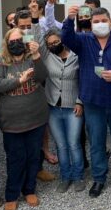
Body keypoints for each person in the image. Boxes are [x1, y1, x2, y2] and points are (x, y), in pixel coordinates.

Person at [62, 6, 111, 198]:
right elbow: (66, 38)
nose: (100, 24)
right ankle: (99, 178)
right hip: (93, 102)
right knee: (96, 142)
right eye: (96, 21)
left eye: (103, 20)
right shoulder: (83, 40)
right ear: (90, 23)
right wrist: (69, 19)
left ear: (110, 21)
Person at [0, 28, 49, 210]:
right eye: (12, 41)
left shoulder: (32, 58)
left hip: (36, 117)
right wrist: (19, 81)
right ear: (7, 43)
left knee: (33, 156)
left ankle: (29, 190)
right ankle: (12, 195)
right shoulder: (0, 60)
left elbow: (42, 77)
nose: (16, 44)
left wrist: (37, 55)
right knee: (16, 158)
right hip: (12, 121)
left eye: (19, 40)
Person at [33, 27, 84, 193]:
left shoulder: (77, 56)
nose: (53, 45)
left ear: (63, 40)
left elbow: (83, 80)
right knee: (61, 145)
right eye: (50, 43)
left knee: (74, 144)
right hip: (53, 108)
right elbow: (37, 39)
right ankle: (65, 177)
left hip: (73, 107)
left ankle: (78, 176)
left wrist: (80, 102)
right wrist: (35, 19)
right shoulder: (48, 56)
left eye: (56, 41)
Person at [17, 10, 57, 179]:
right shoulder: (10, 46)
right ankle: (21, 175)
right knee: (19, 141)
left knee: (38, 132)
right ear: (14, 26)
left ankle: (38, 169)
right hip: (17, 99)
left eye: (29, 26)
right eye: (22, 27)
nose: (26, 30)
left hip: (37, 95)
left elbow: (43, 73)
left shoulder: (38, 45)